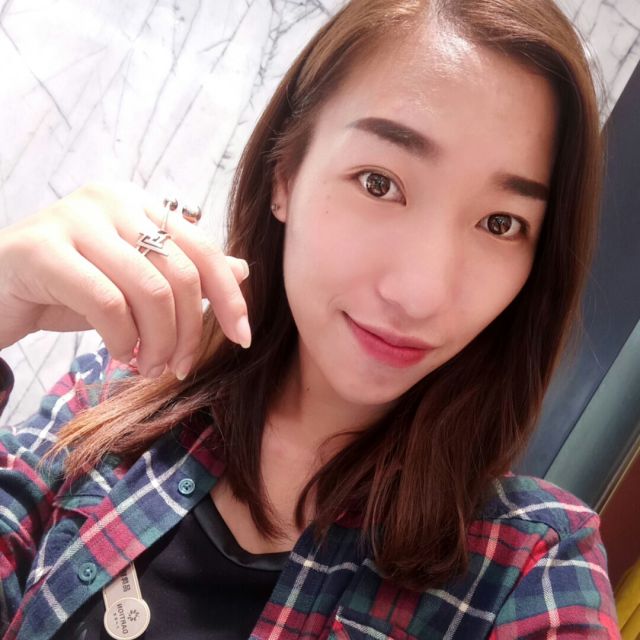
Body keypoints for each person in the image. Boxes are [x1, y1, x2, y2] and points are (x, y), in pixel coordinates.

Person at [0, 0, 622, 638]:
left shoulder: (530, 569)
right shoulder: (112, 395)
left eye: (500, 223)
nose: (419, 294)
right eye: (379, 182)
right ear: (285, 175)